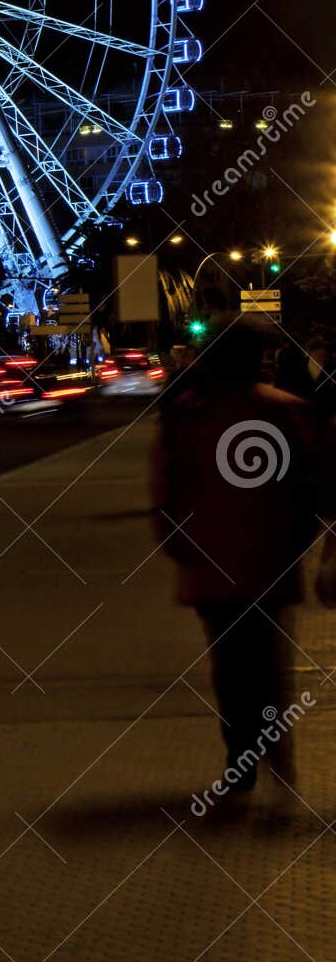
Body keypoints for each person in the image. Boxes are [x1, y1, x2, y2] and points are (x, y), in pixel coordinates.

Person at [152, 319, 318, 805]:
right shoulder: (288, 412)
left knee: (230, 669)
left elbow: (167, 488)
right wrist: (302, 545)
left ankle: (240, 760)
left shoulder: (189, 415)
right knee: (269, 666)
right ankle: (275, 755)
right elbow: (311, 489)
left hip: (212, 567)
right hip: (270, 565)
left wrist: (176, 542)